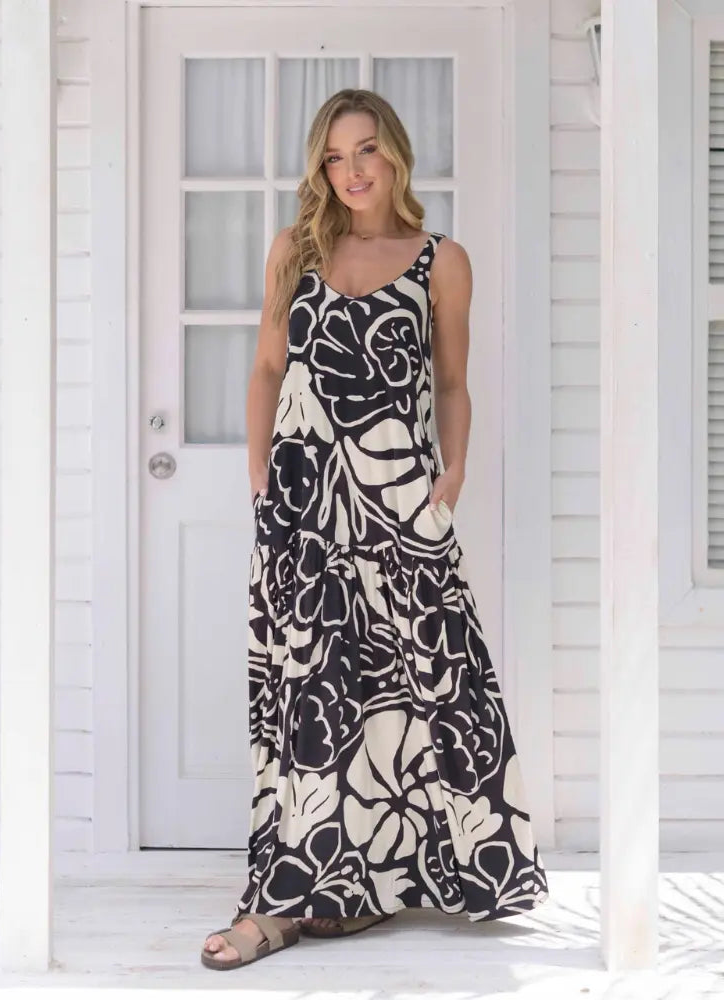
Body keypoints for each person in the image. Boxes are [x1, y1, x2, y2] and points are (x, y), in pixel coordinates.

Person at [201, 88, 549, 971]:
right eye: (333, 156)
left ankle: (376, 882)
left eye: (364, 151)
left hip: (400, 501)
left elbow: (453, 381)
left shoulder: (442, 261)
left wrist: (452, 476)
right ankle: (284, 898)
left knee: (427, 681)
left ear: (394, 153)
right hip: (303, 504)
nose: (350, 171)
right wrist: (260, 473)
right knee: (311, 692)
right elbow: (267, 367)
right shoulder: (296, 249)